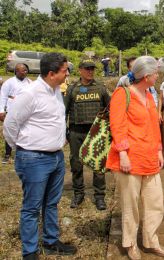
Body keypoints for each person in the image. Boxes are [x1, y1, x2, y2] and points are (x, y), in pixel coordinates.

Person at [3, 53, 77, 259]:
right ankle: (30, 252)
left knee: (51, 203)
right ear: (52, 73)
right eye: (64, 71)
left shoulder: (55, 91)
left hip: (55, 157)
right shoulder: (30, 94)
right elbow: (10, 126)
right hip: (34, 159)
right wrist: (22, 150)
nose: (67, 73)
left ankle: (51, 241)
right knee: (32, 208)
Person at [106, 56, 164, 260]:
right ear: (145, 76)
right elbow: (117, 126)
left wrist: (159, 151)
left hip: (149, 157)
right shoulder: (122, 94)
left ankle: (151, 241)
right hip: (130, 160)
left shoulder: (149, 95)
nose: (158, 76)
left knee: (155, 203)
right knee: (130, 205)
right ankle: (130, 243)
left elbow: (153, 126)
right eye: (155, 73)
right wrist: (123, 154)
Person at [64, 59, 110, 210]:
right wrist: (63, 132)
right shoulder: (72, 89)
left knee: (98, 164)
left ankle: (99, 196)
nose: (90, 71)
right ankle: (78, 194)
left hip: (96, 132)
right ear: (80, 70)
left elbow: (110, 109)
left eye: (92, 69)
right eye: (87, 68)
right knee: (76, 164)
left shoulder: (101, 88)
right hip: (76, 131)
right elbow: (63, 112)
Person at [0, 63, 32, 164]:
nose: (25, 72)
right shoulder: (9, 82)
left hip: (25, 111)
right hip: (11, 110)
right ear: (17, 71)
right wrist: (1, 111)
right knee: (10, 131)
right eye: (23, 70)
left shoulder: (30, 82)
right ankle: (7, 155)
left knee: (24, 132)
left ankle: (22, 153)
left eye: (26, 70)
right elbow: (3, 97)